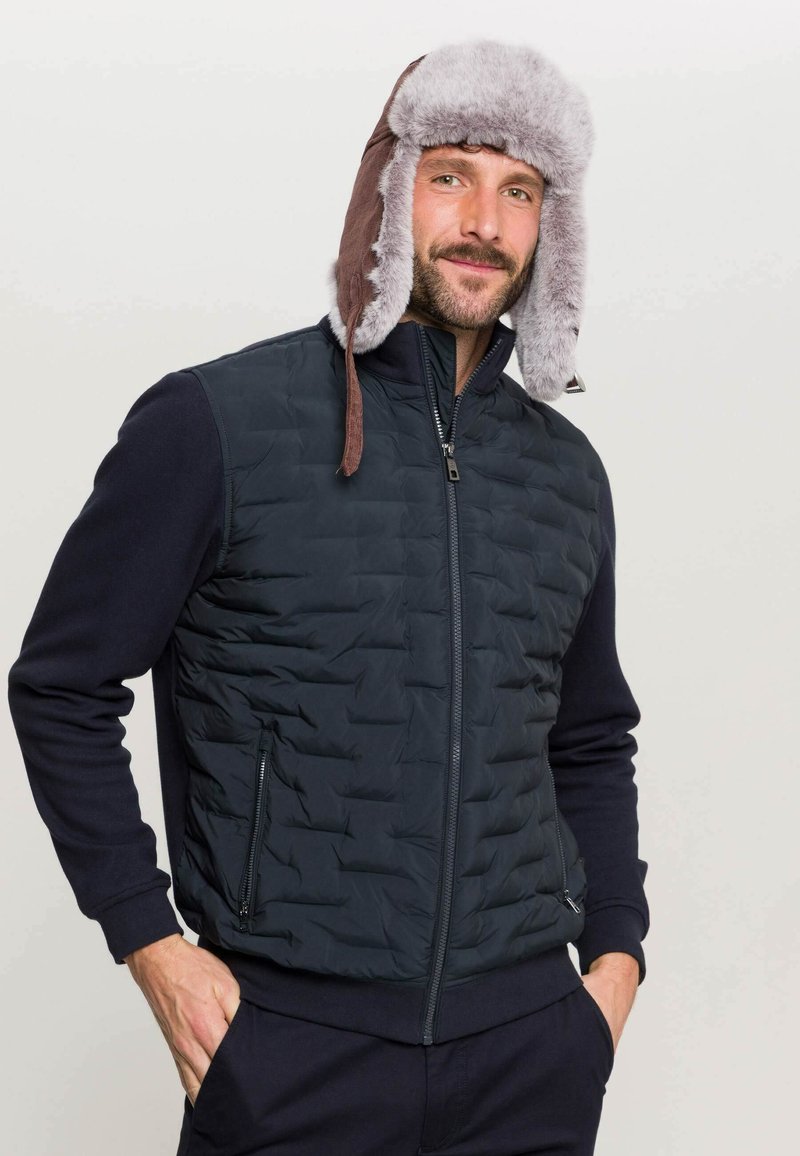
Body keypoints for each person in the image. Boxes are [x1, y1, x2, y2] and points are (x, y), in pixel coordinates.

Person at [7, 38, 650, 1156]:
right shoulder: (215, 424)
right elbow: (62, 684)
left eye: (520, 191)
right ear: (388, 192)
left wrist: (613, 965)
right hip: (288, 1053)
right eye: (451, 175)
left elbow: (588, 738)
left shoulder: (565, 473)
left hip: (529, 1053)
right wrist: (149, 941)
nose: (484, 222)